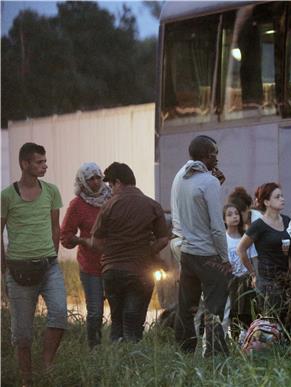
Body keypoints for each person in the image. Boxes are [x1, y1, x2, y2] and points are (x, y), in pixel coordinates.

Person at [1, 143, 67, 386]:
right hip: (18, 270)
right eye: (39, 162)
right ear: (24, 164)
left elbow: (55, 227)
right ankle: (26, 380)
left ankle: (47, 364)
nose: (44, 165)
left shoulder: (51, 191)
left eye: (44, 161)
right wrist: (3, 270)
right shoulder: (6, 196)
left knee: (60, 313)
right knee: (22, 335)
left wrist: (53, 256)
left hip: (48, 266)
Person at [91, 162, 169, 343]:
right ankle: (132, 363)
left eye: (111, 186)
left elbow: (96, 242)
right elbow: (164, 239)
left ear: (118, 182)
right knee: (134, 324)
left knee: (116, 321)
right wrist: (147, 252)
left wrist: (113, 252)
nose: (111, 190)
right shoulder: (152, 205)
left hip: (111, 273)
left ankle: (116, 360)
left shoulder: (108, 206)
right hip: (140, 271)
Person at [173, 136, 231, 356]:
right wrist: (224, 259)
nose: (217, 157)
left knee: (187, 308)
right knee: (214, 309)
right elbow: (216, 226)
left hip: (187, 253)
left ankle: (184, 352)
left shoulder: (181, 176)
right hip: (208, 255)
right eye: (215, 153)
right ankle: (215, 354)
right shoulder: (209, 182)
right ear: (208, 155)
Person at [60, 162, 111, 348]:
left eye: (99, 177)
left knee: (118, 310)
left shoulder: (111, 197)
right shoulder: (78, 204)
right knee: (96, 312)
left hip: (113, 264)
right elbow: (65, 236)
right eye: (91, 179)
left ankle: (117, 349)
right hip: (90, 266)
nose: (96, 182)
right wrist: (85, 241)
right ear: (83, 182)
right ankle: (95, 350)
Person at [237, 182, 291, 329]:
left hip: (287, 278)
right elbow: (241, 249)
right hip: (267, 280)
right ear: (267, 202)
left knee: (288, 319)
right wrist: (252, 273)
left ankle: (287, 349)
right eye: (277, 197)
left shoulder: (287, 221)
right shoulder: (259, 225)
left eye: (282, 196)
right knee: (271, 321)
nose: (282, 199)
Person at [223, 203, 258, 340]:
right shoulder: (223, 239)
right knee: (232, 312)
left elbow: (254, 258)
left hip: (247, 280)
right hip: (230, 281)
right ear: (224, 219)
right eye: (230, 214)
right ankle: (233, 339)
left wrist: (254, 274)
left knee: (247, 312)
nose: (234, 217)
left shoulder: (246, 237)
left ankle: (247, 341)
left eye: (236, 214)